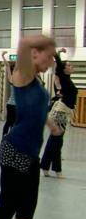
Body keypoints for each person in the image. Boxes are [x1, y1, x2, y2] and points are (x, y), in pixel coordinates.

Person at [0, 35, 56, 219]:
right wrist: (47, 41)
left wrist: (50, 123)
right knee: (7, 206)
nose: (52, 62)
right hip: (16, 150)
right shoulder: (22, 74)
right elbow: (25, 43)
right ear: (35, 54)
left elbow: (36, 109)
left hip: (32, 152)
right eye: (50, 56)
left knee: (27, 209)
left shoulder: (36, 81)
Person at [41, 47, 78, 178]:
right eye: (69, 65)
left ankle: (46, 167)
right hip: (60, 112)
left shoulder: (67, 80)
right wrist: (59, 53)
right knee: (57, 141)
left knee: (55, 140)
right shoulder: (63, 78)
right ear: (64, 69)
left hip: (63, 112)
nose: (71, 66)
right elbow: (58, 63)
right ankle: (56, 170)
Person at [1, 51, 16, 136]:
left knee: (13, 123)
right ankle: (5, 136)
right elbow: (7, 66)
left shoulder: (20, 79)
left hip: (16, 105)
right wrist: (3, 56)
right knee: (10, 122)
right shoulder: (12, 79)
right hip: (11, 105)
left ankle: (10, 137)